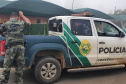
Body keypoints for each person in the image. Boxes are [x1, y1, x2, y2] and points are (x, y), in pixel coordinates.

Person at [0, 11, 31, 84]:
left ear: (10, 17)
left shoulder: (6, 24)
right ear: (17, 17)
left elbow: (0, 31)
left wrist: (5, 32)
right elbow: (29, 22)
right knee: (19, 68)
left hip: (11, 48)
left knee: (6, 68)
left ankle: (3, 82)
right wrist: (22, 15)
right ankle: (18, 82)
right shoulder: (21, 23)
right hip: (20, 48)